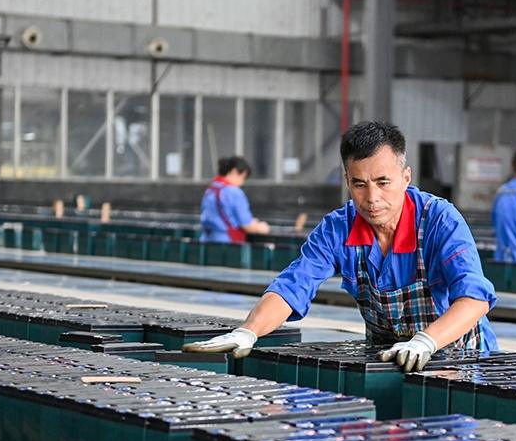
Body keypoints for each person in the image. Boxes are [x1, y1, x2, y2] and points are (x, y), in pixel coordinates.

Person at [184, 121, 498, 373]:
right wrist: (248, 331)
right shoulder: (338, 228)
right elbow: (295, 284)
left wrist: (427, 341)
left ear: (406, 177)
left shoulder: (440, 221)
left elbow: (474, 297)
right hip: (389, 362)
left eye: (383, 182)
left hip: (460, 360)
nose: (372, 198)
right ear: (347, 181)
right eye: (359, 184)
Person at [200, 156, 270, 243]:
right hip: (227, 243)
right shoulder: (234, 192)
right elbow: (247, 226)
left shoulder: (210, 190)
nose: (242, 183)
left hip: (206, 241)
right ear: (235, 171)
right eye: (243, 177)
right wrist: (262, 227)